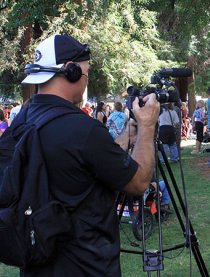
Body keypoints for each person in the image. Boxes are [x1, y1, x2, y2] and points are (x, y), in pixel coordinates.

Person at [18, 34, 160, 276]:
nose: (87, 77)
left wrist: (127, 134)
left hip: (37, 262)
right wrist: (146, 126)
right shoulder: (82, 129)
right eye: (86, 70)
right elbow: (138, 183)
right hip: (86, 266)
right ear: (70, 71)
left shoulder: (24, 119)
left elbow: (83, 160)